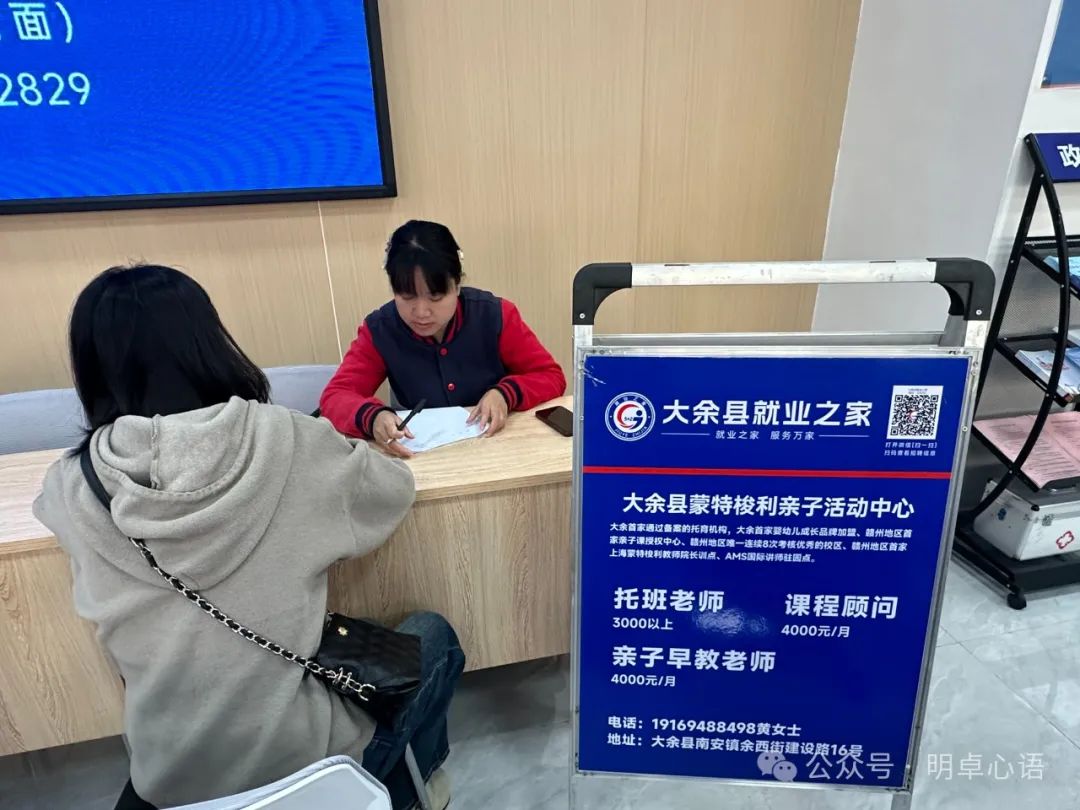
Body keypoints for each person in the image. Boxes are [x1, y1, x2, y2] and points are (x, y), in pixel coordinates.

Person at [32, 265, 464, 810]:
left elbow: (46, 510)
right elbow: (390, 490)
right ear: (208, 343)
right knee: (432, 637)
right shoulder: (283, 436)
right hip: (311, 768)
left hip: (170, 782)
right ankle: (407, 792)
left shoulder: (73, 483)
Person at [320, 220, 566, 457]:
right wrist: (373, 417)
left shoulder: (495, 315)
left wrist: (505, 394)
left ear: (457, 286)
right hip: (422, 457)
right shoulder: (380, 329)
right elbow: (335, 397)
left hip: (497, 448)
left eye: (435, 297)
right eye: (407, 296)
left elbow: (550, 376)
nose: (421, 312)